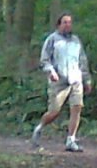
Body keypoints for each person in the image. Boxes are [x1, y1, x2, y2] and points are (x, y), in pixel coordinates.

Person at [31, 11, 91, 152]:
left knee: (77, 108)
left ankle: (71, 139)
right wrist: (51, 72)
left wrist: (86, 79)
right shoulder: (52, 40)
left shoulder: (76, 41)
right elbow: (45, 59)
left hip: (75, 79)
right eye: (65, 22)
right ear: (59, 24)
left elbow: (82, 60)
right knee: (54, 112)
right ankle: (39, 128)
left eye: (70, 22)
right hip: (59, 81)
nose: (67, 25)